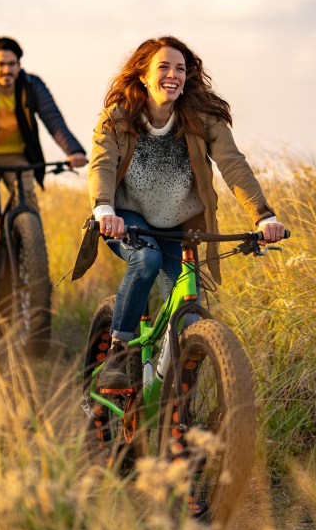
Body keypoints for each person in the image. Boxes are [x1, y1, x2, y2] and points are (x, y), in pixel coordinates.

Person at [87, 35, 287, 390]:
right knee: (146, 260)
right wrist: (104, 209)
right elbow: (102, 164)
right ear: (143, 75)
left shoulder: (201, 118)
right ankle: (117, 353)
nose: (173, 75)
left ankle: (177, 407)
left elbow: (233, 165)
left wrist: (264, 216)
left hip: (181, 226)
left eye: (180, 68)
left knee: (189, 315)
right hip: (129, 221)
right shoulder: (117, 118)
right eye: (163, 67)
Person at [0, 36, 87, 302]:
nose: (6, 70)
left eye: (12, 64)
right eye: (0, 64)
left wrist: (73, 150)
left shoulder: (31, 85)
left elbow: (53, 119)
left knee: (28, 202)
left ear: (20, 65)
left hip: (18, 157)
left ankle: (28, 257)